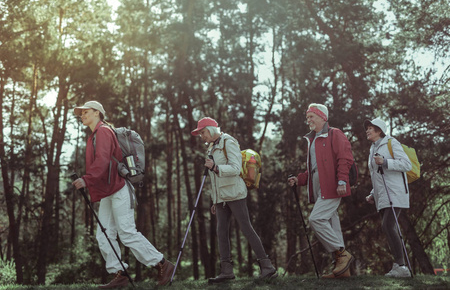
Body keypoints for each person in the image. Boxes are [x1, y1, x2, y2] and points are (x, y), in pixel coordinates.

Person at [72, 101, 175, 288]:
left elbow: (103, 160)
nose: (82, 115)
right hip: (107, 191)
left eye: (86, 112)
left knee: (126, 233)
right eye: (81, 113)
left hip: (119, 188)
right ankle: (119, 274)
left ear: (97, 113)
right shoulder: (94, 135)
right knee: (103, 235)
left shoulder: (103, 131)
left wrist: (87, 179)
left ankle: (163, 264)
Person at [191, 117, 278, 284]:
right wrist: (214, 200)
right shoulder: (212, 147)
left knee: (246, 228)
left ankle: (267, 266)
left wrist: (215, 167)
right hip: (221, 197)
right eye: (200, 133)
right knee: (221, 232)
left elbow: (236, 168)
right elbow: (214, 180)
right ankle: (226, 271)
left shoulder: (228, 142)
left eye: (202, 132)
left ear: (211, 129)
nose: (201, 136)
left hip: (235, 193)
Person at [287, 103, 355, 279]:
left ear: (323, 117)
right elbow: (313, 169)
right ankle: (342, 271)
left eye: (312, 116)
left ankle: (342, 253)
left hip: (332, 187)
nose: (308, 119)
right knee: (333, 224)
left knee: (316, 219)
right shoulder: (312, 140)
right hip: (318, 188)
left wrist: (341, 180)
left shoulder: (335, 134)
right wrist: (299, 179)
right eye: (307, 117)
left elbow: (345, 158)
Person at [364, 118, 412, 278]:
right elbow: (377, 176)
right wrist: (372, 193)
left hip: (396, 193)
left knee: (388, 225)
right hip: (383, 196)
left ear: (379, 130)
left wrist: (385, 162)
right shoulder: (372, 149)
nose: (367, 131)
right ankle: (399, 266)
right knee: (388, 227)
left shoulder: (392, 143)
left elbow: (406, 164)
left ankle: (402, 267)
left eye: (370, 128)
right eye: (367, 128)